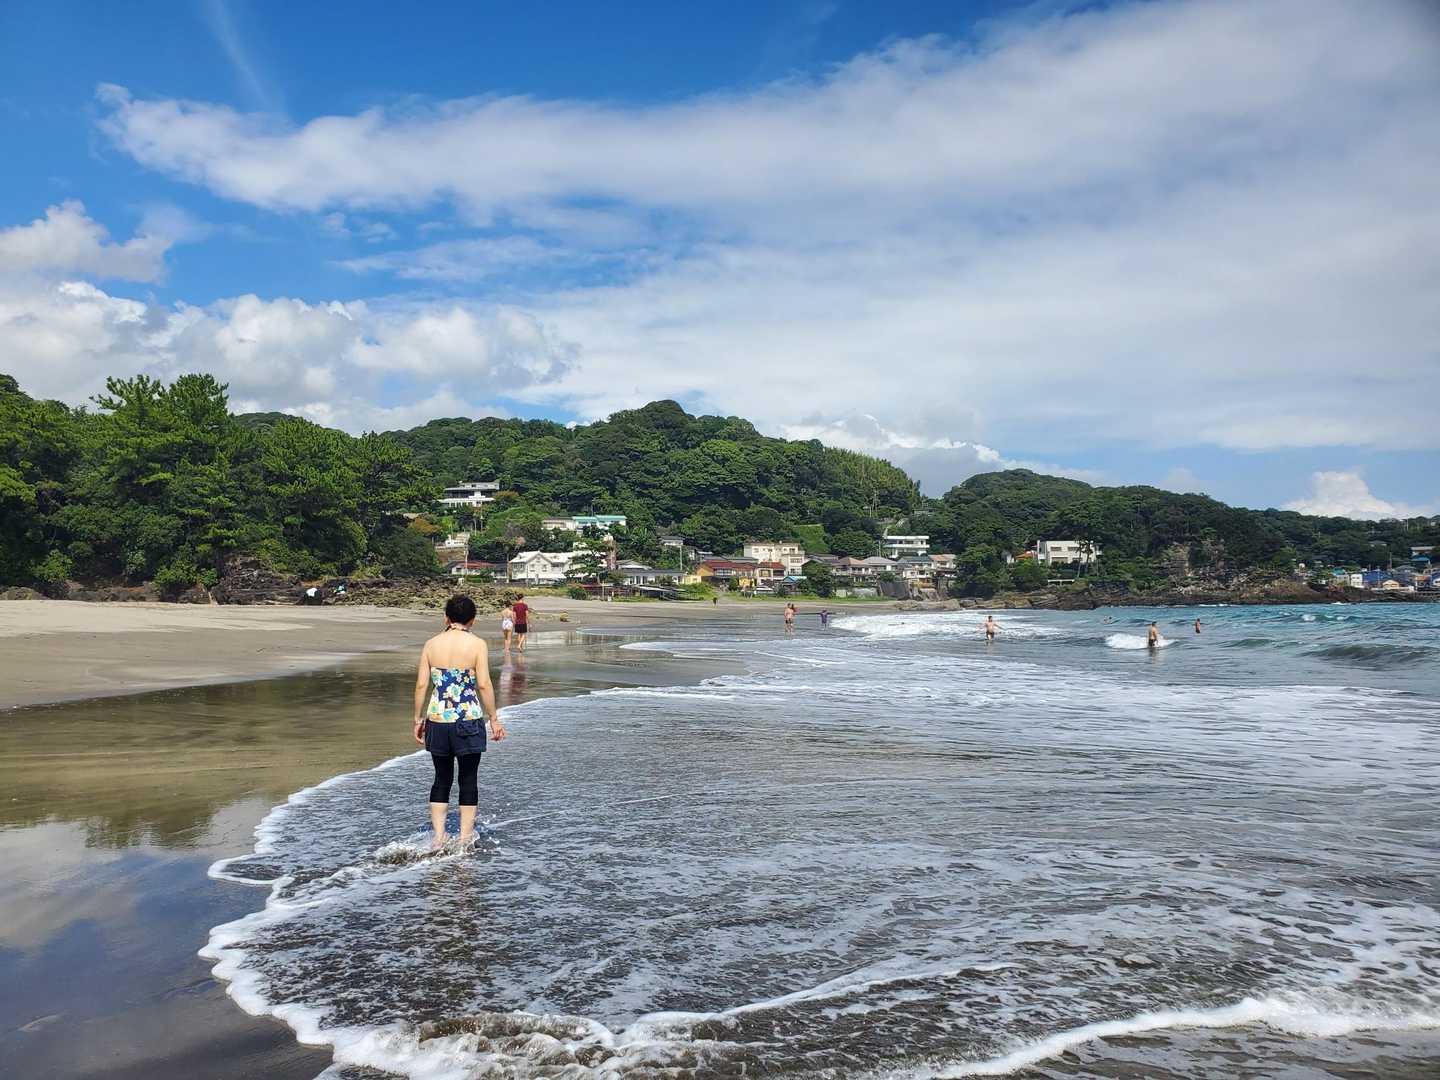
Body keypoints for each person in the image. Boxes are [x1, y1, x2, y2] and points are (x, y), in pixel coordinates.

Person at [413, 595, 506, 849]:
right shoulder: (477, 644)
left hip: (437, 718)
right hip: (468, 718)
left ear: (446, 617)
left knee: (441, 778)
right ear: (472, 620)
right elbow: (483, 684)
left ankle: (439, 837)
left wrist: (418, 718)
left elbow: (422, 684)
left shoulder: (431, 644)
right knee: (468, 779)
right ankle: (465, 838)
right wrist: (494, 718)